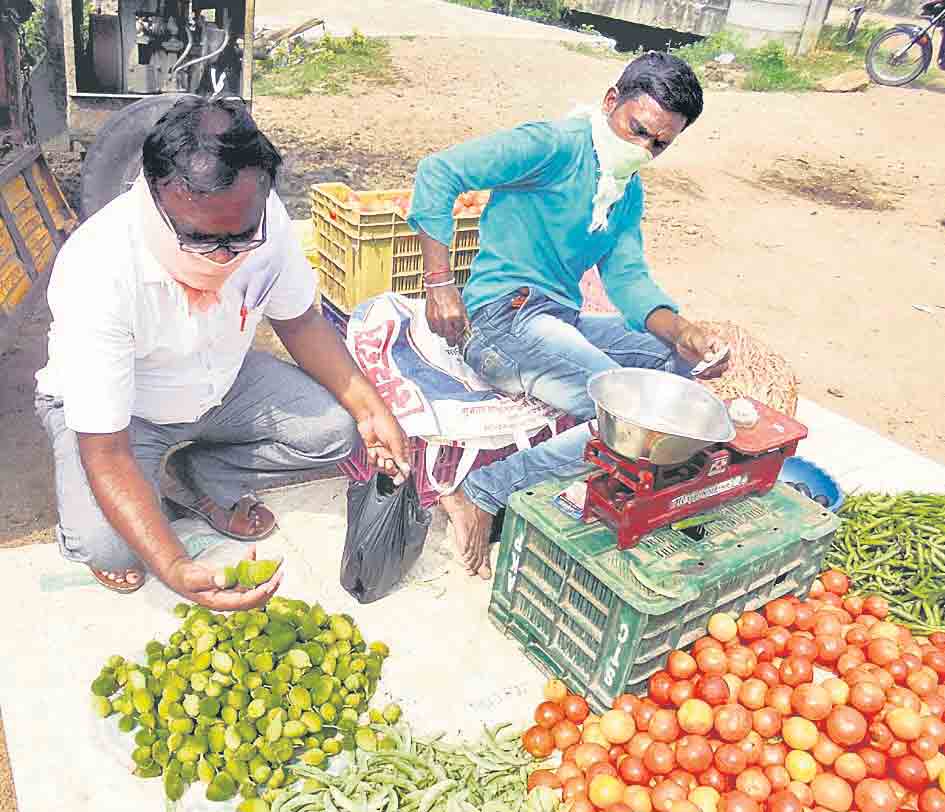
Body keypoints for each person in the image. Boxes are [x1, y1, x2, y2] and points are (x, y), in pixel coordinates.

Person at [34, 95, 409, 609]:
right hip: (126, 416)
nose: (226, 257)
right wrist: (174, 564)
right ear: (155, 200)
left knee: (336, 432)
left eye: (240, 239)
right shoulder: (97, 269)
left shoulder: (265, 219)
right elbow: (107, 451)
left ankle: (200, 477)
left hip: (223, 383)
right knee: (112, 546)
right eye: (203, 241)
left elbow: (299, 321)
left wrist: (371, 410)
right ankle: (108, 521)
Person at [407, 52, 730, 580]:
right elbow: (439, 172)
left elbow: (626, 277)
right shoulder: (554, 146)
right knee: (630, 418)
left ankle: (608, 470)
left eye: (659, 144)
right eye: (638, 130)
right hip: (500, 323)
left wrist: (684, 331)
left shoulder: (624, 188)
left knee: (670, 361)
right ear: (610, 102)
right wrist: (439, 284)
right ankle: (481, 491)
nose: (643, 149)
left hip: (556, 319)